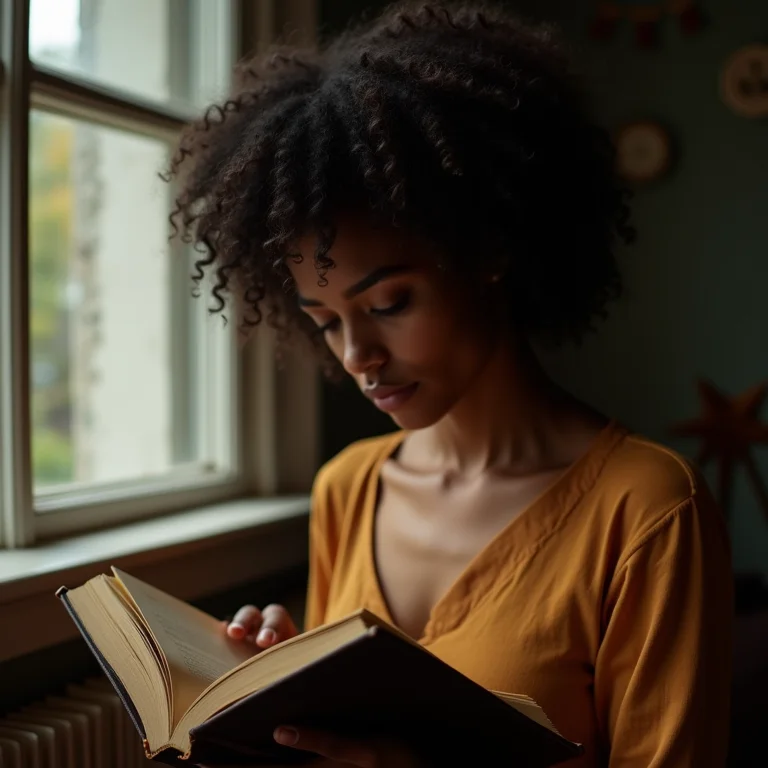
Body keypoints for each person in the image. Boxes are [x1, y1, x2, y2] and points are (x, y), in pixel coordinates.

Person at [166, 2, 733, 765]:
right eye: (325, 321)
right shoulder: (348, 489)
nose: (357, 356)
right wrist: (283, 707)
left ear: (488, 252)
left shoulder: (647, 511)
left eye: (389, 303)